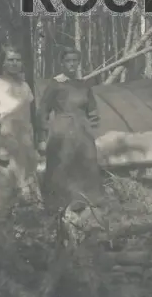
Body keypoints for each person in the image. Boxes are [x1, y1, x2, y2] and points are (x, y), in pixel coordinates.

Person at [36, 47, 104, 215]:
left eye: (75, 60)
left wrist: (91, 125)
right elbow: (43, 110)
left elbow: (92, 109)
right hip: (62, 128)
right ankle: (59, 204)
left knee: (86, 162)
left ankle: (87, 202)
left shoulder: (84, 84)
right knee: (62, 163)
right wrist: (43, 135)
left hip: (82, 130)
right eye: (68, 61)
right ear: (62, 63)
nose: (72, 64)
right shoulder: (55, 84)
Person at [0, 46, 41, 216]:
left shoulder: (25, 86)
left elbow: (27, 114)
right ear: (3, 63)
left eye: (18, 60)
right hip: (4, 139)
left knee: (25, 178)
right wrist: (0, 146)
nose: (15, 63)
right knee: (2, 180)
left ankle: (25, 218)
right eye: (10, 60)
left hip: (23, 139)